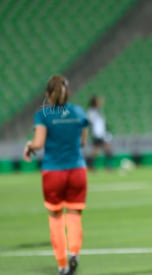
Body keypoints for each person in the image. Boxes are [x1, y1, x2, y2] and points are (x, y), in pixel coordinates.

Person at [23, 75, 88, 275]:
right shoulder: (78, 112)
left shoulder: (43, 115)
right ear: (67, 93)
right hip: (77, 170)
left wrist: (29, 146)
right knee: (75, 214)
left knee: (56, 217)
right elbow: (83, 143)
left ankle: (62, 265)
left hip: (53, 172)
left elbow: (39, 143)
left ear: (48, 94)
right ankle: (74, 253)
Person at [87, 95, 113, 170]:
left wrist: (106, 128)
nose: (100, 102)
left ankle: (107, 165)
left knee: (105, 149)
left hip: (102, 133)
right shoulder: (91, 111)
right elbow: (90, 122)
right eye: (98, 101)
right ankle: (93, 165)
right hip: (97, 134)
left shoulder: (98, 111)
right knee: (97, 150)